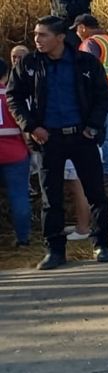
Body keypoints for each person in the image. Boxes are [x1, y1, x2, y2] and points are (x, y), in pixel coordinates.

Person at [6, 16, 108, 270]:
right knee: (50, 198)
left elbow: (103, 96)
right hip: (48, 139)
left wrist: (93, 127)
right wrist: (31, 126)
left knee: (96, 193)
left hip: (81, 137)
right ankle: (55, 251)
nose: (37, 40)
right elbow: (14, 97)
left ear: (60, 38)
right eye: (35, 34)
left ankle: (102, 244)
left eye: (43, 35)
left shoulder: (85, 62)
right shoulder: (29, 64)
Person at [73, 14, 108, 181]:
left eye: (77, 30)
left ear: (82, 27)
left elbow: (88, 70)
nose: (77, 34)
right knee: (106, 129)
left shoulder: (89, 43)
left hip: (100, 93)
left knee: (103, 130)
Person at [0, 59, 32, 248]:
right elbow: (24, 125)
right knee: (19, 195)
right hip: (15, 153)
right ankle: (23, 239)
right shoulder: (12, 96)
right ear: (6, 75)